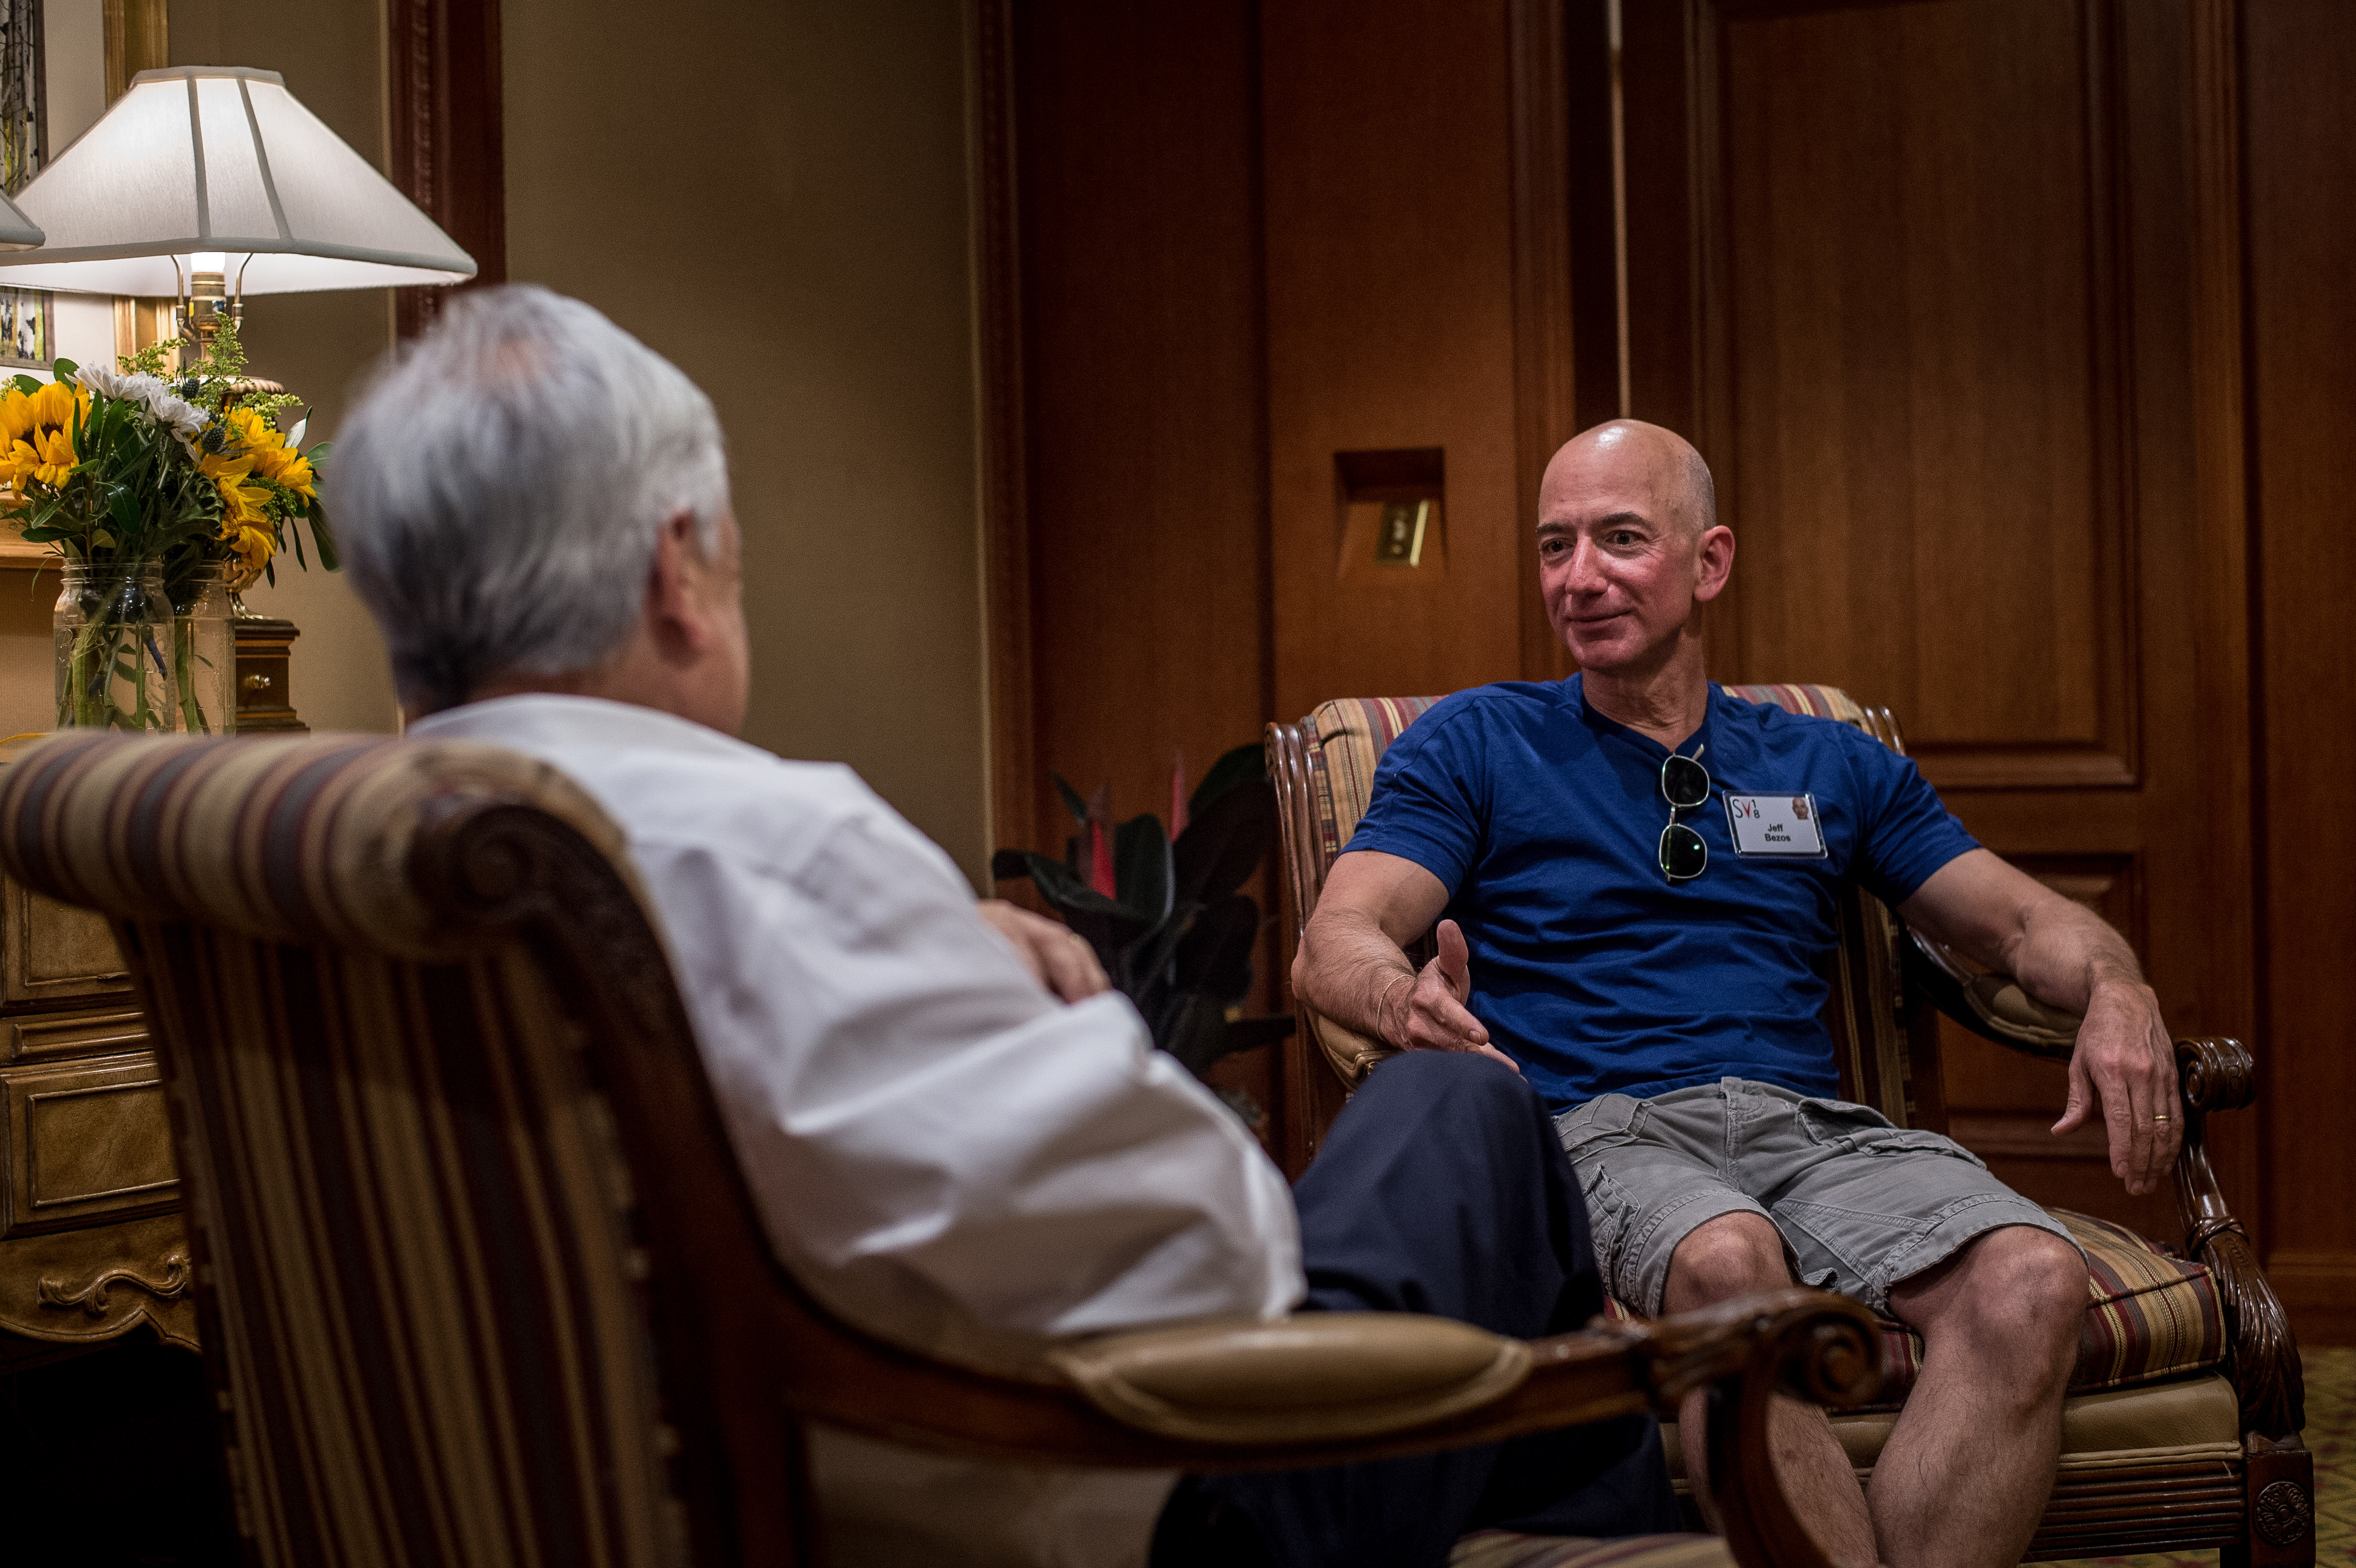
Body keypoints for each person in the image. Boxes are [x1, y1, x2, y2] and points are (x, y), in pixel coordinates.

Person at [326, 286, 1677, 1568]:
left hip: (584, 1499)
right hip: (1107, 1514)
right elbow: (1215, 1249)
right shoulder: (771, 852)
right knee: (1460, 1107)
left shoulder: (329, 852)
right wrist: (1029, 998)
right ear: (673, 569)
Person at [1292, 419, 2185, 1568]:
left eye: (1620, 539)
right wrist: (1396, 1000)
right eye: (1555, 545)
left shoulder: (1828, 763)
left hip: (1813, 1133)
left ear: (1708, 562)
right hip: (1601, 1124)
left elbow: (2018, 922)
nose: (1578, 576)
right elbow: (1337, 936)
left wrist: (2116, 986)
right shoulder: (1478, 741)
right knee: (1727, 1259)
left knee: (2029, 1279)